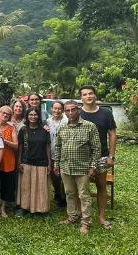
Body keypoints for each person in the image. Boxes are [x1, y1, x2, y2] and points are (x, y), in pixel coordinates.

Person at [53, 101, 100, 235]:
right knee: (69, 194)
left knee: (84, 196)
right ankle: (73, 216)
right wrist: (57, 164)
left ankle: (86, 222)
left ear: (78, 110)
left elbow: (96, 149)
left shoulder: (89, 126)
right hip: (66, 167)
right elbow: (58, 147)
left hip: (82, 169)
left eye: (73, 110)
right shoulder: (62, 127)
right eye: (67, 110)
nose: (70, 113)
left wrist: (93, 167)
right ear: (64, 112)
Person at [79, 85, 117, 229]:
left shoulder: (106, 113)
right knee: (82, 187)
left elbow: (112, 134)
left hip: (101, 156)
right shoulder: (77, 113)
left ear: (95, 96)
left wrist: (111, 156)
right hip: (81, 157)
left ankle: (101, 216)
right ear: (81, 98)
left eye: (90, 94)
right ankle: (81, 216)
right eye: (84, 94)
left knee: (101, 186)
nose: (88, 96)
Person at [16, 107, 51, 216]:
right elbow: (20, 147)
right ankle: (24, 208)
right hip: (26, 162)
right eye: (30, 115)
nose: (33, 117)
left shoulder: (45, 130)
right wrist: (19, 162)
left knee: (41, 187)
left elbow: (48, 147)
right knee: (26, 187)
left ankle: (43, 209)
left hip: (41, 162)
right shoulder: (23, 130)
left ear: (38, 117)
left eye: (35, 115)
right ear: (27, 116)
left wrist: (49, 163)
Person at [0, 106, 17, 218]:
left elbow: (16, 145)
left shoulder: (11, 128)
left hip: (8, 160)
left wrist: (4, 140)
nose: (5, 115)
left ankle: (3, 208)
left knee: (6, 186)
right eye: (3, 113)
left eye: (8, 114)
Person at [47, 100, 68, 207]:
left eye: (59, 108)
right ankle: (58, 193)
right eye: (55, 108)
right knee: (54, 176)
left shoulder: (66, 121)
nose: (57, 110)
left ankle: (64, 197)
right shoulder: (48, 121)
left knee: (63, 176)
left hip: (64, 153)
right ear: (51, 109)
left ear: (63, 110)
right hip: (51, 152)